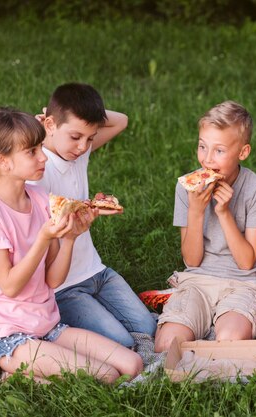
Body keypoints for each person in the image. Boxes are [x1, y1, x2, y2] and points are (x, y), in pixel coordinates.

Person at [0, 108, 143, 383]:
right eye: (32, 151)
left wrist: (69, 239)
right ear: (3, 161)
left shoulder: (39, 197)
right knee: (105, 375)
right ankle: (2, 370)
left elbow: (53, 279)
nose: (43, 156)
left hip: (47, 325)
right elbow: (10, 285)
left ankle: (27, 373)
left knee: (134, 364)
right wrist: (44, 238)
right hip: (7, 335)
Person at [30, 83, 157, 348]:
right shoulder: (35, 169)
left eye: (90, 138)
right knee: (122, 341)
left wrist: (83, 115)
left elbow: (121, 121)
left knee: (148, 328)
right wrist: (35, 127)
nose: (83, 147)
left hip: (96, 271)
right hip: (63, 286)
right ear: (50, 125)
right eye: (76, 137)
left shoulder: (78, 151)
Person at [154, 100, 256, 352]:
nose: (207, 160)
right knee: (166, 345)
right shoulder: (186, 187)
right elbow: (192, 260)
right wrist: (196, 211)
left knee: (229, 341)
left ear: (243, 152)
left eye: (219, 151)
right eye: (202, 147)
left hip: (243, 282)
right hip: (197, 280)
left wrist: (224, 213)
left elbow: (246, 262)